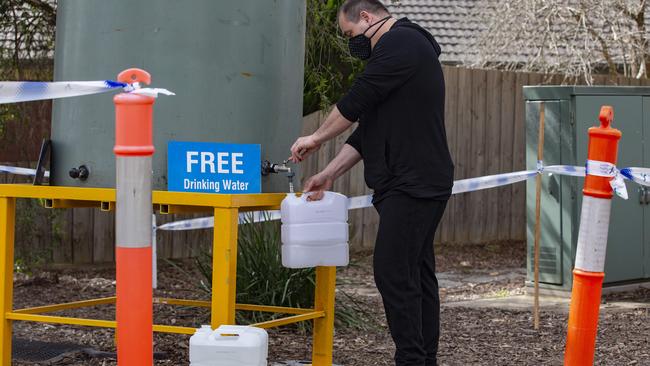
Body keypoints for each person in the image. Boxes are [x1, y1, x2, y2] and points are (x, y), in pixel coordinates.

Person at [289, 0, 454, 364]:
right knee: (415, 271)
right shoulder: (401, 56)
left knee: (393, 271)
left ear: (367, 17)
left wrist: (314, 138)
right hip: (413, 181)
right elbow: (368, 131)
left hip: (415, 181)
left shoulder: (401, 43)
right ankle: (422, 359)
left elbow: (355, 101)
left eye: (351, 33)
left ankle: (411, 359)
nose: (353, 42)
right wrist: (329, 173)